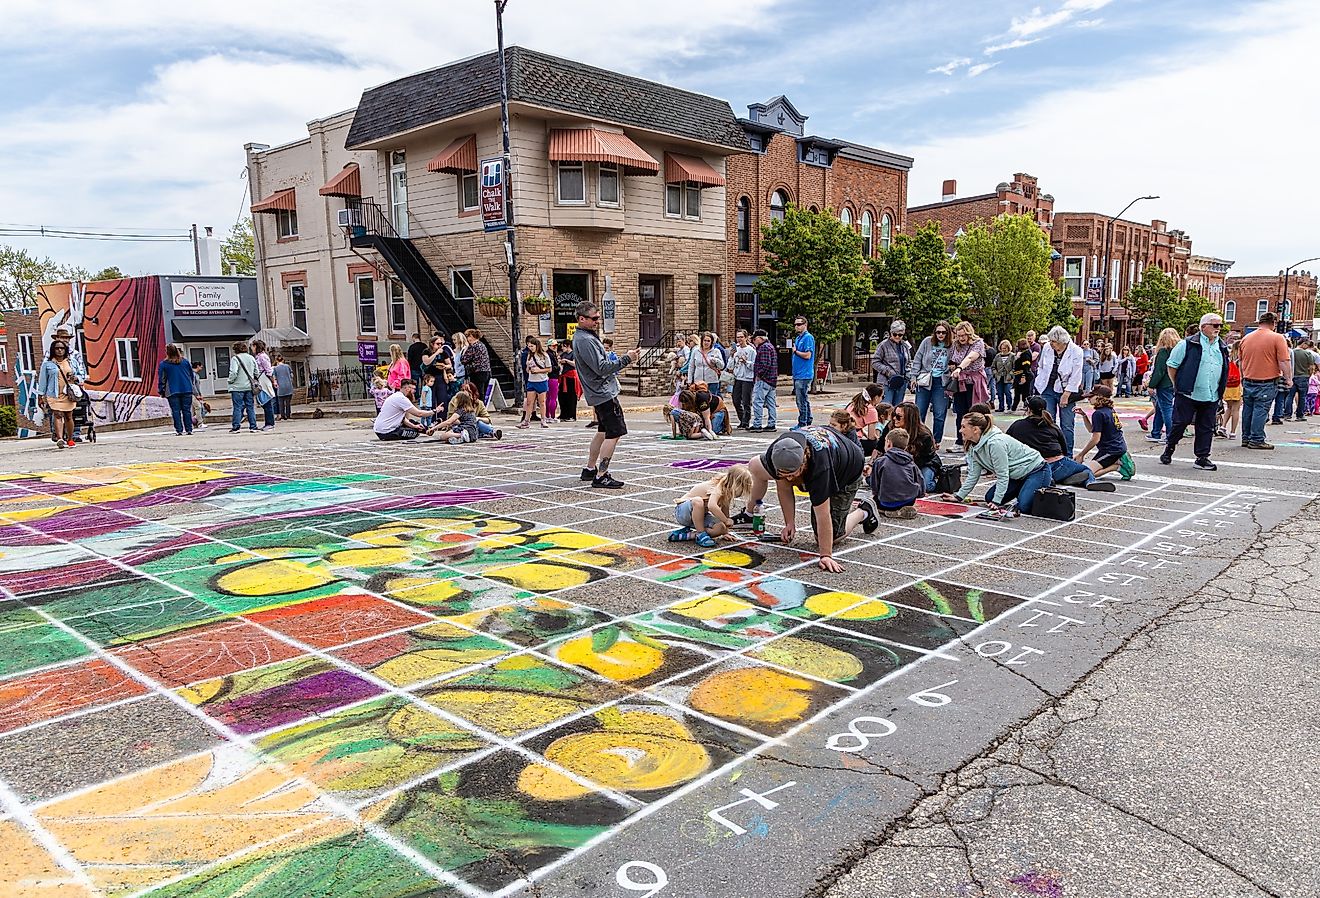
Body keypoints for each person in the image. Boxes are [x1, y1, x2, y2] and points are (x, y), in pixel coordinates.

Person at [746, 426, 874, 572]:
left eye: (793, 474)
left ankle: (863, 511)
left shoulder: (820, 468)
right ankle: (749, 513)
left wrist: (826, 555)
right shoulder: (777, 453)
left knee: (831, 537)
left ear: (803, 462)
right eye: (783, 474)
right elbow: (783, 487)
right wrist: (790, 523)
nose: (788, 478)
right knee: (758, 466)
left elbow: (823, 514)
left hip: (848, 470)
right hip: (829, 451)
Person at [574, 300, 641, 489]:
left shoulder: (584, 337)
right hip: (603, 393)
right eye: (594, 318)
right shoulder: (585, 340)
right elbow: (602, 368)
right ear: (582, 319)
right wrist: (627, 358)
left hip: (599, 392)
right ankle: (601, 475)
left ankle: (589, 469)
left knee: (602, 431)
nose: (597, 321)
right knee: (615, 432)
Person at [946, 412, 1051, 519]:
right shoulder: (973, 446)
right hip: (1016, 475)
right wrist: (959, 496)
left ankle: (1039, 484)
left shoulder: (995, 443)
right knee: (989, 498)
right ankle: (1026, 487)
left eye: (963, 427)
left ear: (976, 429)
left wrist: (997, 501)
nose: (960, 430)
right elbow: (973, 474)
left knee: (1023, 506)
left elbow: (1002, 474)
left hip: (1037, 470)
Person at [1161, 312, 1230, 470]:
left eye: (1220, 325)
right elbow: (1172, 365)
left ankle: (1202, 457)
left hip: (1211, 393)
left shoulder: (1222, 346)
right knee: (1180, 423)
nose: (1218, 328)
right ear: (1203, 326)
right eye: (1215, 325)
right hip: (1188, 393)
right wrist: (1177, 385)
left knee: (1206, 426)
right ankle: (1169, 448)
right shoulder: (1187, 344)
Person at [1007, 396, 1114, 492]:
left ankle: (1050, 480)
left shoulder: (1018, 425)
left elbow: (1006, 443)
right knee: (1085, 469)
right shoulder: (1052, 426)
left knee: (1040, 474)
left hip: (1033, 466)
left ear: (1029, 410)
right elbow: (1064, 448)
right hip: (1057, 463)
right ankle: (1089, 482)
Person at [1236, 311, 1291, 450]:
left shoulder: (1246, 338)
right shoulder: (1277, 338)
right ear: (1274, 323)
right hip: (1266, 380)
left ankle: (1246, 437)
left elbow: (1241, 361)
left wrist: (1243, 376)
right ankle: (1257, 438)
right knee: (1261, 410)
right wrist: (1288, 378)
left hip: (1248, 379)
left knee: (1248, 410)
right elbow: (1284, 361)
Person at [669, 464, 754, 548]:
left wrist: (725, 531)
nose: (742, 493)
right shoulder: (718, 487)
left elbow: (725, 510)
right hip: (683, 512)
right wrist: (726, 520)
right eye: (742, 489)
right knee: (698, 501)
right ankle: (701, 534)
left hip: (699, 516)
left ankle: (688, 535)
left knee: (720, 528)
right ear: (736, 484)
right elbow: (712, 506)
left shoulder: (727, 490)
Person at [1033, 325, 1085, 457]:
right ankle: (1051, 452)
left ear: (1062, 341)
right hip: (1047, 388)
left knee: (1067, 424)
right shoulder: (1047, 348)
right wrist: (1039, 379)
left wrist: (1066, 394)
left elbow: (1076, 375)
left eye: (1054, 342)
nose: (1051, 344)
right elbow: (1041, 365)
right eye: (1050, 341)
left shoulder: (1076, 351)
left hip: (1066, 389)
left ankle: (1067, 454)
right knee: (1047, 421)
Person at [1076, 385, 1134, 480]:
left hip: (1111, 450)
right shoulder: (1109, 410)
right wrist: (1084, 416)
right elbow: (1091, 430)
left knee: (1086, 475)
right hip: (1117, 447)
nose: (1088, 399)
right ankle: (1116, 462)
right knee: (1085, 473)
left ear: (1100, 397)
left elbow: (1095, 439)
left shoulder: (1098, 413)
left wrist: (1082, 454)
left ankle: (1117, 465)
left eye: (1091, 397)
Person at [947, 321, 987, 452]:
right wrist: (952, 366)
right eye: (958, 335)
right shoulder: (955, 345)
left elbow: (970, 358)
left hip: (974, 381)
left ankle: (978, 441)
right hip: (960, 381)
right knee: (960, 412)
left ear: (969, 333)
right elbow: (951, 358)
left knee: (974, 412)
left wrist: (959, 367)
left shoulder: (978, 343)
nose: (961, 338)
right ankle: (960, 441)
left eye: (963, 335)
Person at [910, 321, 951, 444]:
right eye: (938, 332)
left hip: (941, 382)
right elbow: (918, 359)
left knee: (939, 413)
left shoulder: (952, 345)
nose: (940, 335)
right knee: (919, 412)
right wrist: (913, 377)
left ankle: (935, 441)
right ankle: (918, 439)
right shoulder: (927, 342)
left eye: (943, 332)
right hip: (925, 380)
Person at [867, 428, 924, 519]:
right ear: (905, 447)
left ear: (889, 443)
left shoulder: (881, 461)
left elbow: (875, 485)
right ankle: (899, 509)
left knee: (871, 502)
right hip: (909, 500)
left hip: (887, 502)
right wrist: (920, 494)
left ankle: (887, 511)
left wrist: (875, 495)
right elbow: (920, 481)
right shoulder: (911, 463)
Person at [36, 340, 83, 449]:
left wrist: (76, 378)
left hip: (68, 394)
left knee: (68, 416)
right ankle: (60, 438)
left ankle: (70, 439)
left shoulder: (72, 362)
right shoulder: (47, 364)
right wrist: (40, 396)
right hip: (53, 394)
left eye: (62, 348)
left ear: (65, 350)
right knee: (57, 414)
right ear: (53, 350)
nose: (59, 350)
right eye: (57, 348)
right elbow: (43, 381)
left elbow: (81, 375)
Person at [1139, 328, 1180, 443]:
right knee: (1160, 407)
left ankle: (1170, 435)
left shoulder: (1163, 352)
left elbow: (1159, 371)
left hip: (1164, 383)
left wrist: (1151, 385)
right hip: (1174, 383)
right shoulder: (1179, 351)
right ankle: (1156, 432)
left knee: (1166, 409)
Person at [891, 402, 939, 492]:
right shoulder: (891, 427)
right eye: (894, 415)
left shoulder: (924, 435)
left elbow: (926, 458)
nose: (894, 418)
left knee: (925, 485)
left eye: (898, 416)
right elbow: (880, 447)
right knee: (873, 478)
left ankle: (938, 480)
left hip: (924, 463)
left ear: (909, 418)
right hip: (898, 462)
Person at [52, 324, 89, 442]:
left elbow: (82, 371)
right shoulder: (50, 354)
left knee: (75, 411)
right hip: (56, 388)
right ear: (57, 339)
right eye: (62, 338)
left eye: (67, 338)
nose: (65, 341)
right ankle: (58, 434)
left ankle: (74, 434)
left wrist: (76, 378)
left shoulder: (75, 354)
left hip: (72, 388)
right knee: (57, 412)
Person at [156, 343, 195, 436]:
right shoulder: (185, 362)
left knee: (176, 411)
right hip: (186, 388)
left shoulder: (164, 364)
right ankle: (189, 429)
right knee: (187, 410)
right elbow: (191, 375)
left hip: (172, 390)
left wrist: (161, 390)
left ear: (167, 352)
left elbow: (162, 378)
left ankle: (179, 430)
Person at [871, 320, 911, 407]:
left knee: (898, 408)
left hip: (901, 382)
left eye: (900, 335)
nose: (897, 337)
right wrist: (887, 371)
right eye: (894, 334)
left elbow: (908, 362)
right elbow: (874, 362)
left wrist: (908, 375)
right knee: (886, 408)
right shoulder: (883, 345)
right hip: (886, 382)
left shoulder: (905, 346)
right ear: (890, 333)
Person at [518, 338, 553, 429]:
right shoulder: (529, 355)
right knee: (529, 402)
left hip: (541, 380)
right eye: (529, 346)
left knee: (542, 402)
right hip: (531, 380)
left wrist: (539, 370)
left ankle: (543, 419)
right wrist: (529, 368)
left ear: (537, 346)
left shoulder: (544, 355)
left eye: (532, 346)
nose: (530, 348)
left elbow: (549, 369)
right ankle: (526, 420)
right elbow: (526, 368)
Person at [227, 340, 260, 433]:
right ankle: (253, 426)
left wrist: (230, 380)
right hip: (249, 387)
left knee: (237, 407)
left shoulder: (235, 359)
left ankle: (236, 427)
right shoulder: (251, 358)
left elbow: (233, 372)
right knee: (250, 407)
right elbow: (256, 372)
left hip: (237, 387)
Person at [750, 328, 779, 432]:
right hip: (772, 379)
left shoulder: (764, 348)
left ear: (759, 338)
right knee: (771, 403)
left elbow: (765, 364)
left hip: (764, 380)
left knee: (758, 401)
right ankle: (772, 424)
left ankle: (757, 424)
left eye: (754, 339)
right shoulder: (770, 346)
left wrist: (759, 375)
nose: (754, 341)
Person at [848, 383, 886, 462]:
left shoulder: (854, 403)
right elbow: (871, 437)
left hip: (845, 433)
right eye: (882, 396)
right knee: (878, 445)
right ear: (876, 398)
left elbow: (856, 424)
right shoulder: (871, 410)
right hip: (853, 440)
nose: (882, 398)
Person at [790, 316, 815, 428]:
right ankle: (808, 419)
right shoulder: (798, 338)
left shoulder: (808, 338)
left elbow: (808, 355)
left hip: (804, 373)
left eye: (799, 324)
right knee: (803, 398)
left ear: (805, 325)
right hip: (798, 373)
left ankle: (802, 423)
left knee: (801, 400)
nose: (797, 326)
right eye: (795, 324)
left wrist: (796, 352)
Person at [1282, 339, 1315, 422]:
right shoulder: (1308, 353)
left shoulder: (1291, 352)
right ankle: (1300, 415)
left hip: (1293, 376)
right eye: (1307, 345)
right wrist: (1309, 375)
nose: (1307, 347)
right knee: (1302, 397)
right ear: (1303, 344)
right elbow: (1311, 367)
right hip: (1304, 377)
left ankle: (1287, 414)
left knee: (1290, 396)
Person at [731, 329, 757, 430]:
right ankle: (741, 418)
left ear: (746, 338)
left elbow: (754, 366)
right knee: (736, 399)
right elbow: (730, 365)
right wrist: (731, 356)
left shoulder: (751, 351)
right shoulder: (736, 350)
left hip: (747, 378)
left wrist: (746, 362)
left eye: (741, 337)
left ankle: (746, 421)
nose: (739, 339)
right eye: (738, 337)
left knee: (746, 400)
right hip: (738, 377)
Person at [688, 333, 726, 397]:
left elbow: (722, 366)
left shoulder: (716, 351)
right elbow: (691, 366)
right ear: (701, 341)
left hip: (712, 381)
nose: (706, 343)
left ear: (711, 342)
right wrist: (689, 379)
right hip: (698, 381)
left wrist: (716, 360)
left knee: (711, 400)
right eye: (705, 340)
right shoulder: (696, 351)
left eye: (708, 341)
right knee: (700, 400)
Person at [1218, 342, 1242, 441]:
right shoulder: (1240, 360)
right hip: (1237, 386)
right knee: (1236, 409)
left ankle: (1223, 427)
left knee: (1229, 407)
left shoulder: (1228, 359)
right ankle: (1232, 432)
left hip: (1227, 386)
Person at [251, 339, 278, 430]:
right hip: (261, 380)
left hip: (264, 381)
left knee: (267, 402)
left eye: (253, 346)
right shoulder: (257, 357)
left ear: (256, 347)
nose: (252, 348)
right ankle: (268, 422)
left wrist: (273, 381)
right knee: (264, 402)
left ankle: (270, 423)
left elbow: (269, 370)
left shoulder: (263, 357)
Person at [460, 329, 491, 404]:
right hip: (486, 371)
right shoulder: (481, 345)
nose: (467, 339)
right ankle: (482, 408)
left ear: (472, 337)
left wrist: (465, 350)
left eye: (468, 336)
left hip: (476, 372)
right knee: (481, 392)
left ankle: (478, 409)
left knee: (477, 392)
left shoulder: (473, 346)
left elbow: (463, 359)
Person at [558, 340, 579, 421]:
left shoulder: (573, 354)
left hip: (571, 377)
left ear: (568, 346)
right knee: (562, 396)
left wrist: (566, 361)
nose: (562, 348)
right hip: (563, 376)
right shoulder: (563, 354)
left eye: (563, 346)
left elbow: (575, 364)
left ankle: (572, 415)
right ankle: (563, 414)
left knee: (571, 396)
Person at [991, 340, 1015, 412]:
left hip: (1008, 378)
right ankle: (1001, 407)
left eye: (1005, 348)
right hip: (999, 377)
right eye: (1002, 348)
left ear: (1008, 348)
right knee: (1000, 393)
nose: (1003, 350)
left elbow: (1015, 367)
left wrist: (1011, 374)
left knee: (1008, 392)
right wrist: (995, 373)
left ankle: (1009, 406)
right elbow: (993, 366)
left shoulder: (1012, 356)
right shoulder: (997, 356)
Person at [1011, 339, 1034, 412]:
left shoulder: (1026, 354)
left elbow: (1026, 366)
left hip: (1024, 375)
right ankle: (1013, 408)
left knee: (1026, 394)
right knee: (1017, 393)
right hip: (1018, 375)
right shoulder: (1022, 353)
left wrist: (1023, 376)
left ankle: (1028, 408)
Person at [273, 355, 294, 420]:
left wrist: (275, 383)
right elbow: (292, 375)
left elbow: (274, 378)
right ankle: (288, 415)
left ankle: (282, 416)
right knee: (288, 403)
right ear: (283, 360)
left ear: (276, 360)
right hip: (288, 386)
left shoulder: (275, 368)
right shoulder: (287, 366)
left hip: (280, 387)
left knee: (281, 403)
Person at [545, 340, 562, 420]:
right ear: (549, 346)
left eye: (556, 346)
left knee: (548, 398)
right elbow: (552, 367)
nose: (555, 347)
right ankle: (552, 416)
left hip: (547, 377)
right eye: (553, 346)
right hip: (553, 377)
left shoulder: (549, 354)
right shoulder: (550, 355)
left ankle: (547, 415)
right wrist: (559, 367)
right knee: (553, 398)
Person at [191, 361, 208, 430]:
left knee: (194, 408)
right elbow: (193, 385)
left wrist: (200, 394)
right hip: (193, 394)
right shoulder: (193, 374)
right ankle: (200, 423)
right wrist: (197, 394)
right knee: (198, 407)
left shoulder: (196, 374)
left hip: (195, 393)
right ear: (197, 366)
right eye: (201, 366)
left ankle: (194, 422)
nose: (202, 367)